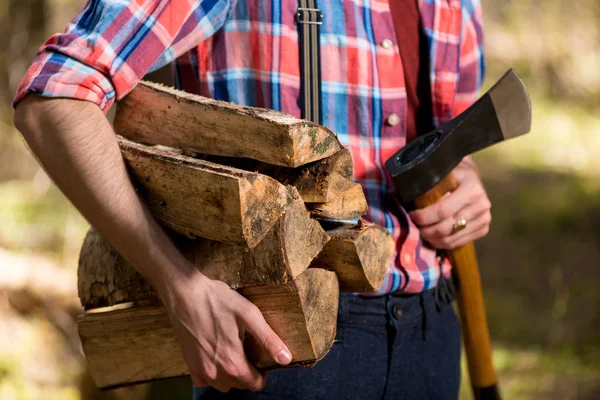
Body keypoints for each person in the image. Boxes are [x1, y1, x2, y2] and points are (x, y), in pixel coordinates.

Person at [13, 0, 490, 399]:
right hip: (282, 342)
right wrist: (179, 285)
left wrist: (464, 182)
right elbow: (56, 96)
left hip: (432, 335)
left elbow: (447, 139)